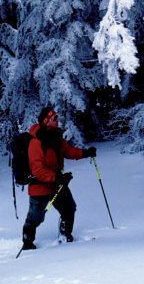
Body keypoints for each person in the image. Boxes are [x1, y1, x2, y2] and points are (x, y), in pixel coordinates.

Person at [22, 107, 96, 249]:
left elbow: (68, 151)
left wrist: (86, 153)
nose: (57, 121)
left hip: (57, 183)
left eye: (57, 118)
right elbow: (38, 169)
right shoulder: (36, 142)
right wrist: (56, 178)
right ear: (46, 121)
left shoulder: (56, 137)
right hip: (40, 186)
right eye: (54, 118)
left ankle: (64, 236)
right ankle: (27, 242)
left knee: (69, 208)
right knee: (35, 217)